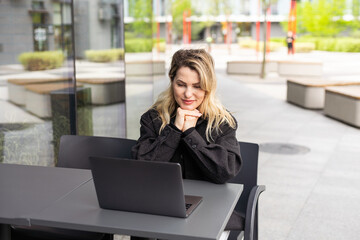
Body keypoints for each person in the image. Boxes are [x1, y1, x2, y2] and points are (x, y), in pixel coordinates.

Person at [131, 49, 243, 240]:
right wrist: (174, 130)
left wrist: (191, 133)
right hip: (160, 206)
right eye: (181, 84)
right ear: (172, 81)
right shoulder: (153, 118)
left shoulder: (222, 122)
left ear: (208, 87)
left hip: (208, 208)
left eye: (197, 86)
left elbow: (224, 171)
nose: (188, 94)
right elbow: (142, 167)